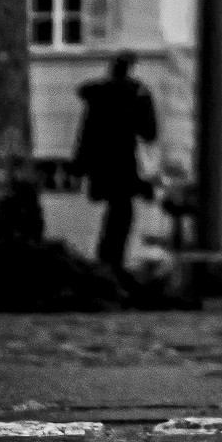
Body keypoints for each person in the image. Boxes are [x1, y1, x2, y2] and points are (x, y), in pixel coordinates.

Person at [72, 51, 158, 275]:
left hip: (104, 164)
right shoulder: (137, 94)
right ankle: (113, 260)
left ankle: (107, 258)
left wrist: (80, 166)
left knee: (116, 211)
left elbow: (87, 132)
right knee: (123, 212)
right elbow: (149, 132)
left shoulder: (98, 95)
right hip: (125, 162)